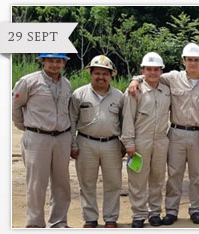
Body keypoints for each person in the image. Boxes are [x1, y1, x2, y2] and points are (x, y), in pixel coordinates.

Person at [127, 43, 199, 225]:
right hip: (175, 132)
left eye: (196, 60)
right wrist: (135, 80)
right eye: (189, 60)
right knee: (174, 174)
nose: (193, 63)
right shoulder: (173, 78)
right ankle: (171, 210)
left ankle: (196, 209)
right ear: (183, 61)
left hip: (197, 134)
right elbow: (151, 75)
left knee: (196, 174)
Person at [13, 53, 72, 228]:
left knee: (62, 183)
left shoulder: (67, 84)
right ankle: (35, 224)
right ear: (43, 61)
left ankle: (59, 222)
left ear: (63, 63)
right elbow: (15, 105)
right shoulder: (29, 81)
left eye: (59, 61)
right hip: (37, 137)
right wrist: (25, 127)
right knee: (37, 183)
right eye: (51, 60)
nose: (55, 64)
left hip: (62, 137)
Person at [69, 55, 124, 228]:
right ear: (90, 74)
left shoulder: (120, 97)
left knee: (113, 183)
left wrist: (123, 145)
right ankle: (90, 218)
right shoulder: (79, 94)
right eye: (97, 73)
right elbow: (71, 120)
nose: (101, 77)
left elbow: (125, 123)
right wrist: (73, 144)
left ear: (111, 75)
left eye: (105, 73)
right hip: (85, 143)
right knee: (86, 183)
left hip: (112, 144)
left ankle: (111, 218)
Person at [121, 52, 171, 228]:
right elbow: (128, 117)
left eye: (156, 69)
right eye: (148, 69)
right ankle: (139, 214)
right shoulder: (135, 91)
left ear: (161, 71)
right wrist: (129, 143)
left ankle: (155, 212)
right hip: (140, 140)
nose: (152, 73)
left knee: (157, 178)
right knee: (138, 179)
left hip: (160, 139)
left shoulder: (166, 89)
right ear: (143, 70)